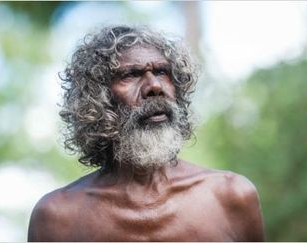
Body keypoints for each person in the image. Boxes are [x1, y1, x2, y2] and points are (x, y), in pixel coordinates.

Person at [28, 25, 265, 242]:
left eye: (162, 72)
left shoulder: (231, 196)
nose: (154, 86)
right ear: (97, 98)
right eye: (130, 74)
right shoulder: (57, 217)